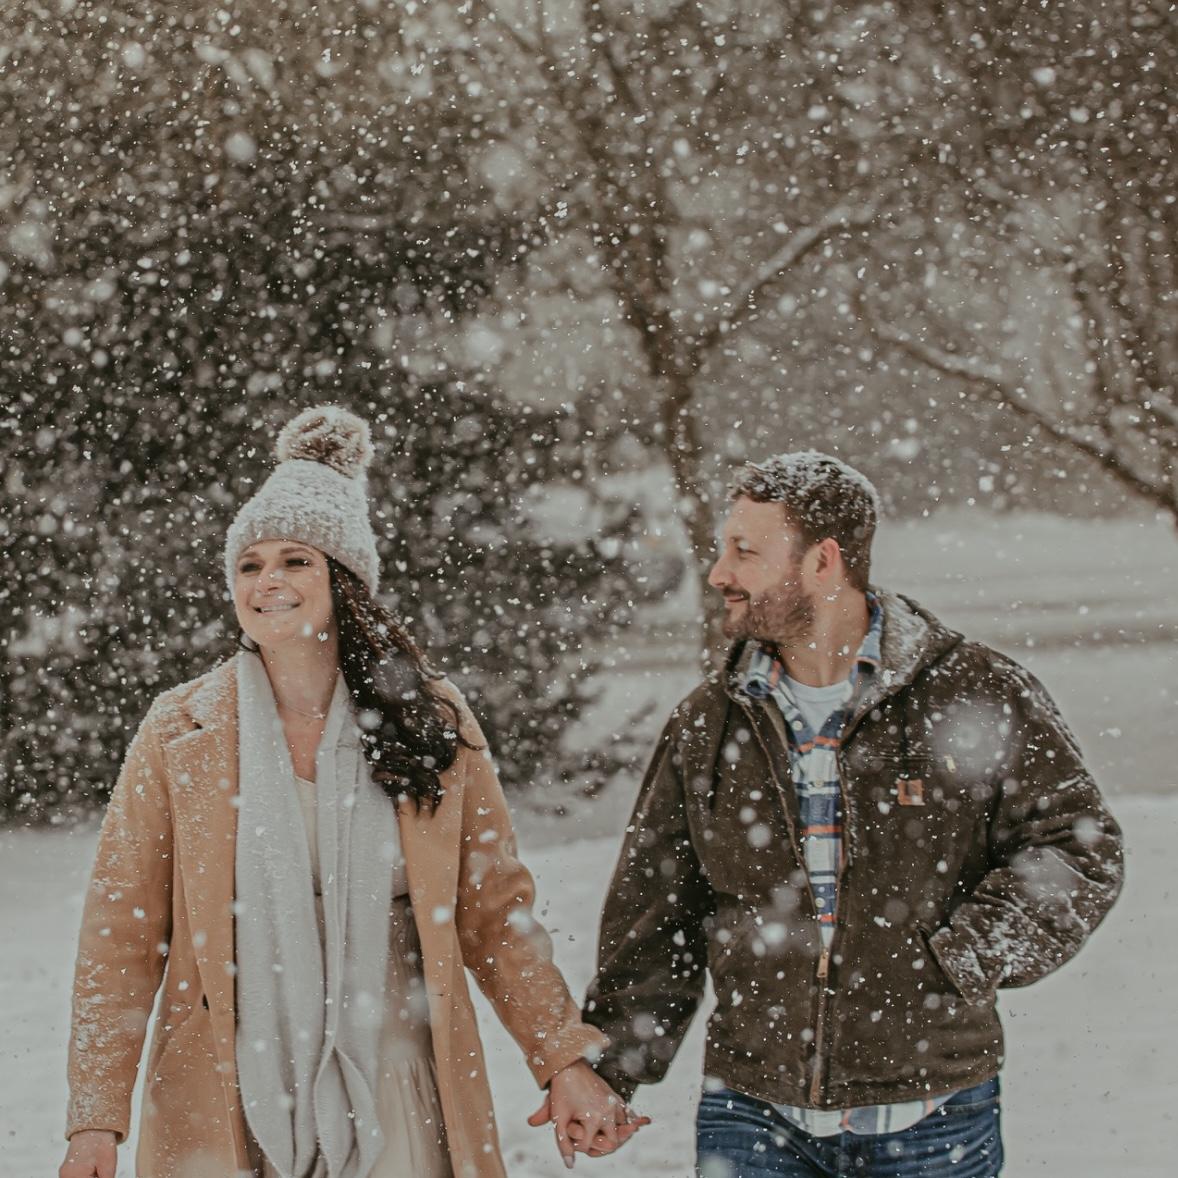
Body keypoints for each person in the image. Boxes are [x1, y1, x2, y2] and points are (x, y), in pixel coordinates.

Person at [59, 406, 645, 1178]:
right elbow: (121, 936)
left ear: (344, 578)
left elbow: (494, 913)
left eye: (295, 560)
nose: (268, 581)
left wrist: (562, 1057)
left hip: (400, 1075)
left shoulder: (428, 719)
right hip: (222, 1086)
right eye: (249, 564)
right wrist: (95, 1119)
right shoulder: (180, 730)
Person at [581, 451, 1124, 1178]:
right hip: (752, 1112)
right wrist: (611, 1065)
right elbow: (658, 907)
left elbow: (1078, 848)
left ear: (823, 563)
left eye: (744, 551)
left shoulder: (972, 692)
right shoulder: (711, 722)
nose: (718, 573)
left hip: (932, 1115)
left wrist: (965, 954)